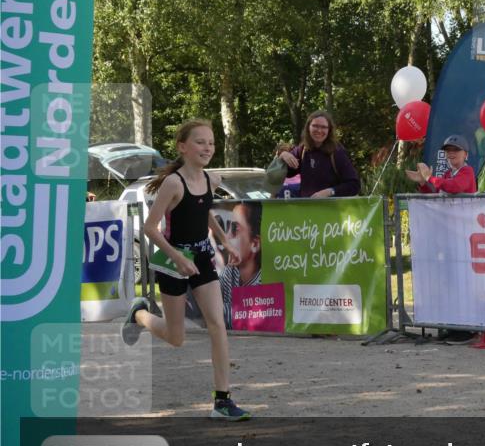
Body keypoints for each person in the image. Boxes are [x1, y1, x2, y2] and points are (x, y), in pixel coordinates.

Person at [119, 119, 250, 420]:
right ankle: (139, 314)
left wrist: (224, 242)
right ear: (182, 147)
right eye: (200, 142)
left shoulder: (211, 179)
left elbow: (204, 213)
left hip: (202, 257)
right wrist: (176, 257)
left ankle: (222, 400)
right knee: (176, 338)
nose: (207, 148)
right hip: (171, 263)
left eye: (211, 142)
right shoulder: (173, 183)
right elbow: (151, 228)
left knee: (217, 324)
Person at [275, 111, 360, 198]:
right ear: (308, 127)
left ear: (329, 130)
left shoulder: (337, 152)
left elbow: (354, 185)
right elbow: (283, 174)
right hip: (307, 208)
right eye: (315, 126)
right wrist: (283, 155)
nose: (319, 130)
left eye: (324, 127)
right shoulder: (303, 150)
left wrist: (330, 191)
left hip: (332, 209)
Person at [218, 201, 262, 329]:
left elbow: (248, 319)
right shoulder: (231, 271)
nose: (227, 237)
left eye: (234, 229)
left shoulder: (263, 281)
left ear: (254, 244)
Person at [406, 134, 477, 194]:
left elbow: (454, 187)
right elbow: (435, 195)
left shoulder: (467, 171)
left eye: (456, 149)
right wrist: (423, 182)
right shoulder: (447, 174)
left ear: (466, 154)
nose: (451, 152)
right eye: (448, 150)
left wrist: (429, 177)